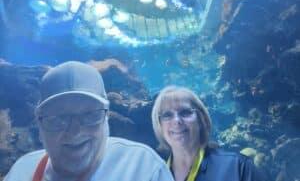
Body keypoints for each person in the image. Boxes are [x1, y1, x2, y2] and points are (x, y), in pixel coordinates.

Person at [4, 61, 174, 181]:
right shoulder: (22, 171)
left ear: (106, 118)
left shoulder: (142, 168)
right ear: (40, 125)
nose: (75, 131)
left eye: (90, 116)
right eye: (59, 119)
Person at [151, 86, 262, 181]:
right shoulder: (153, 176)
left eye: (185, 112)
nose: (176, 121)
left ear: (201, 119)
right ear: (159, 125)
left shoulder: (238, 167)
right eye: (167, 115)